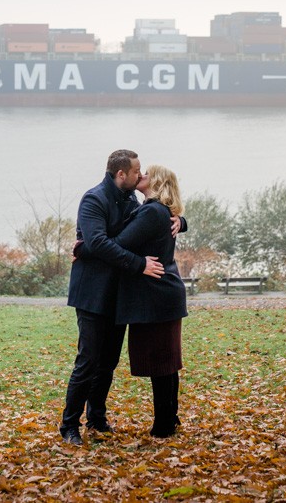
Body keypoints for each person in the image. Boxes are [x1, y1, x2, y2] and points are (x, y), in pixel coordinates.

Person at [59, 149, 168, 446]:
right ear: (121, 174)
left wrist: (180, 222)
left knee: (108, 363)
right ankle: (69, 425)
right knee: (88, 361)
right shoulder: (94, 199)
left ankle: (96, 418)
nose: (140, 175)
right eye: (136, 171)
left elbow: (136, 233)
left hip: (118, 295)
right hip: (92, 294)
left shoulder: (131, 199)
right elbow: (98, 243)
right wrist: (138, 264)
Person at [112, 165, 188, 438]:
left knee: (161, 362)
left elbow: (121, 242)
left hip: (156, 296)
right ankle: (170, 419)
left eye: (146, 174)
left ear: (157, 183)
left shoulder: (152, 211)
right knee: (166, 361)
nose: (141, 175)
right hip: (165, 293)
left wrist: (87, 245)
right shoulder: (162, 211)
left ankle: (163, 425)